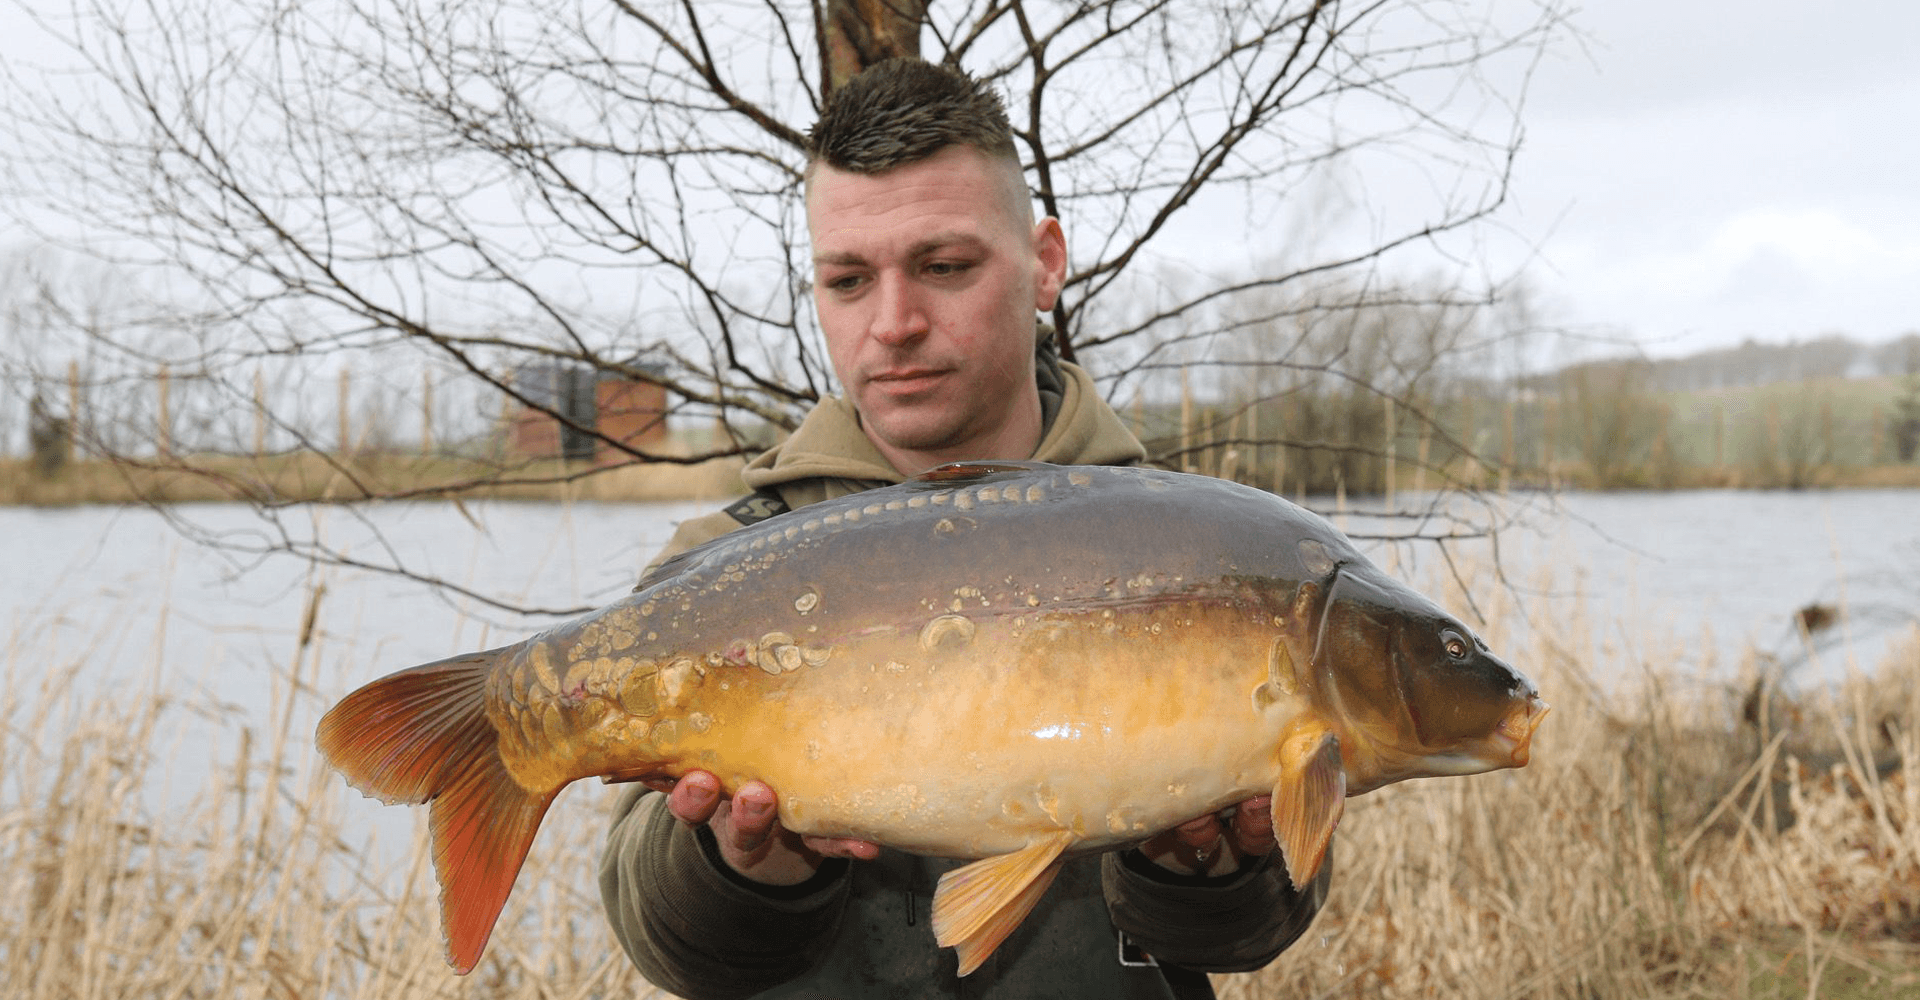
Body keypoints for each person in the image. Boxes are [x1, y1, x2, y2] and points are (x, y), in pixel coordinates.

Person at [598, 58, 1328, 999]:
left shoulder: (1201, 552)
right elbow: (665, 948)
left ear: (1046, 262)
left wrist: (1202, 864)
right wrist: (753, 864)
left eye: (944, 267)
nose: (894, 323)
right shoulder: (718, 573)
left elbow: (1250, 935)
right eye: (849, 279)